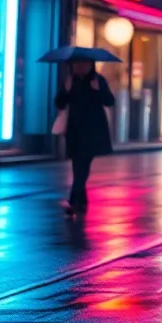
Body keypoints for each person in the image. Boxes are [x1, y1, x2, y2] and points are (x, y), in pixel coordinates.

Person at [55, 59, 115, 215]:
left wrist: (97, 90)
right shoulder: (70, 81)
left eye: (83, 64)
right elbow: (59, 103)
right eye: (76, 64)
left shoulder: (97, 80)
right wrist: (65, 91)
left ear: (90, 65)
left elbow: (109, 101)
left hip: (92, 130)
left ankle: (73, 200)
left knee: (83, 165)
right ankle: (82, 200)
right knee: (77, 166)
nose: (80, 67)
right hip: (74, 130)